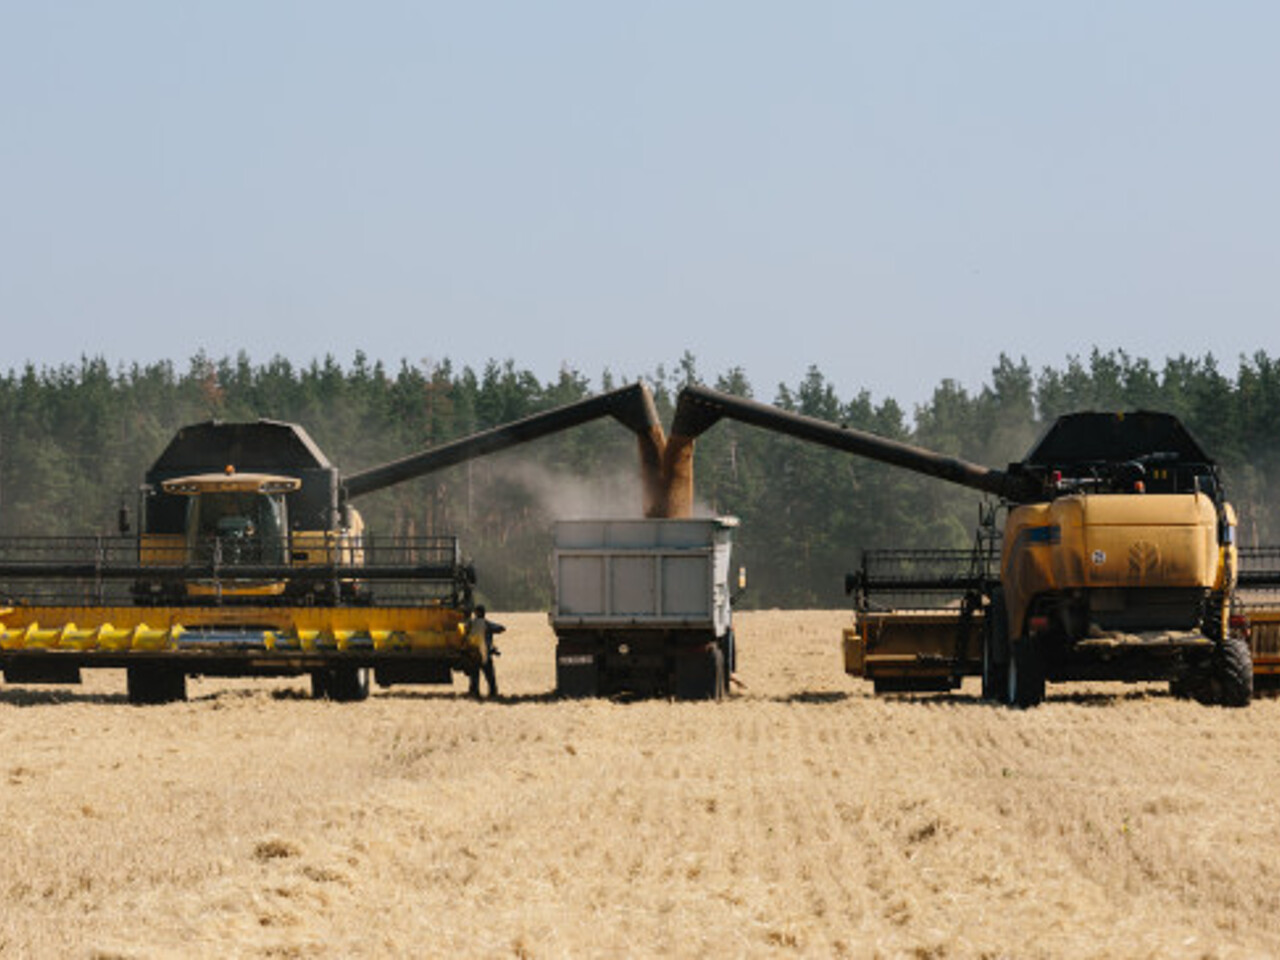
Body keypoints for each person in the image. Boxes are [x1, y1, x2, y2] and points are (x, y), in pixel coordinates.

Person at [466, 605, 506, 699]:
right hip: (485, 652)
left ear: (476, 613)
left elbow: (464, 631)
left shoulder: (471, 623)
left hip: (473, 652)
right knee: (489, 675)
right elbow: (501, 628)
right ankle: (492, 693)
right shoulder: (486, 623)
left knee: (474, 675)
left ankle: (474, 692)